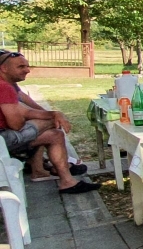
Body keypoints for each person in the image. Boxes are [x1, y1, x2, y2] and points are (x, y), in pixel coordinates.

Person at [0, 51, 100, 194]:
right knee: (52, 124)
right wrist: (51, 118)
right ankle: (46, 169)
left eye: (27, 66)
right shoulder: (3, 87)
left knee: (55, 135)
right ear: (4, 68)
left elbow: (26, 111)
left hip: (4, 138)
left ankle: (66, 181)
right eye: (21, 67)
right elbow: (16, 125)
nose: (27, 70)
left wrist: (53, 114)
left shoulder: (7, 85)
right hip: (3, 140)